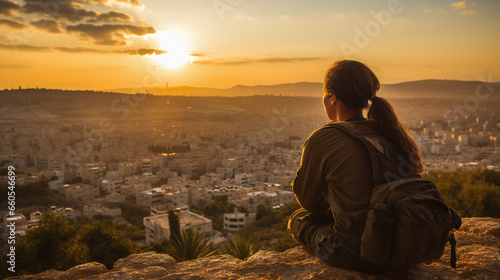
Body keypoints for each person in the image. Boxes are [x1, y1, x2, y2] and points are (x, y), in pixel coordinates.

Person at [287, 60, 423, 273]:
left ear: (332, 98)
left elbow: (310, 203)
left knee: (297, 218)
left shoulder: (324, 138)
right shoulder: (388, 132)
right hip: (402, 243)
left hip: (358, 253)